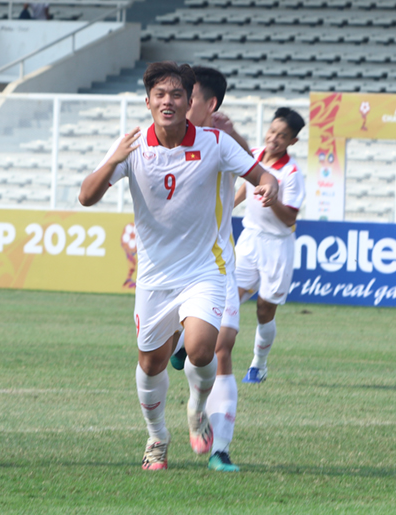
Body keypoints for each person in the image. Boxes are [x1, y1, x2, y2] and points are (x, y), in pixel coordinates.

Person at [79, 62, 278, 472]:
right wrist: (112, 160)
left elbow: (260, 173)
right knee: (150, 363)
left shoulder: (215, 143)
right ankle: (157, 437)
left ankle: (197, 407)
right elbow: (86, 196)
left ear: (190, 102)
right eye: (159, 95)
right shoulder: (131, 146)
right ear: (148, 101)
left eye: (176, 95)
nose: (167, 101)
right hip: (154, 277)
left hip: (205, 270)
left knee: (204, 349)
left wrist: (268, 184)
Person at [169, 65, 252, 471]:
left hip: (215, 268)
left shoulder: (220, 143)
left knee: (223, 348)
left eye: (189, 96)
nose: (179, 103)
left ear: (210, 104)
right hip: (167, 271)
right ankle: (182, 346)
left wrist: (232, 133)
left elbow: (251, 164)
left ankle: (220, 448)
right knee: (169, 354)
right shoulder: (163, 138)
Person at [234, 108, 306, 384]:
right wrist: (231, 204)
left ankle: (258, 365)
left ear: (292, 142)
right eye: (272, 131)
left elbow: (289, 218)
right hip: (250, 239)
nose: (274, 138)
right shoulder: (254, 154)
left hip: (277, 246)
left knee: (265, 308)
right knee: (229, 297)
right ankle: (203, 353)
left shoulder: (292, 173)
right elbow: (246, 184)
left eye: (282, 136)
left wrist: (271, 194)